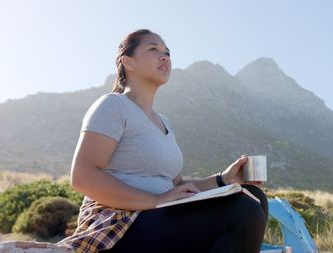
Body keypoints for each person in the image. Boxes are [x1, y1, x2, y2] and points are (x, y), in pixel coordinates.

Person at [57, 29, 268, 253]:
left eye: (167, 52)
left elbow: (176, 186)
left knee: (253, 197)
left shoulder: (164, 123)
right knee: (243, 210)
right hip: (118, 223)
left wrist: (224, 179)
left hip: (159, 215)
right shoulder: (113, 105)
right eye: (153, 49)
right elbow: (83, 176)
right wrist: (155, 200)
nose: (164, 56)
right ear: (127, 62)